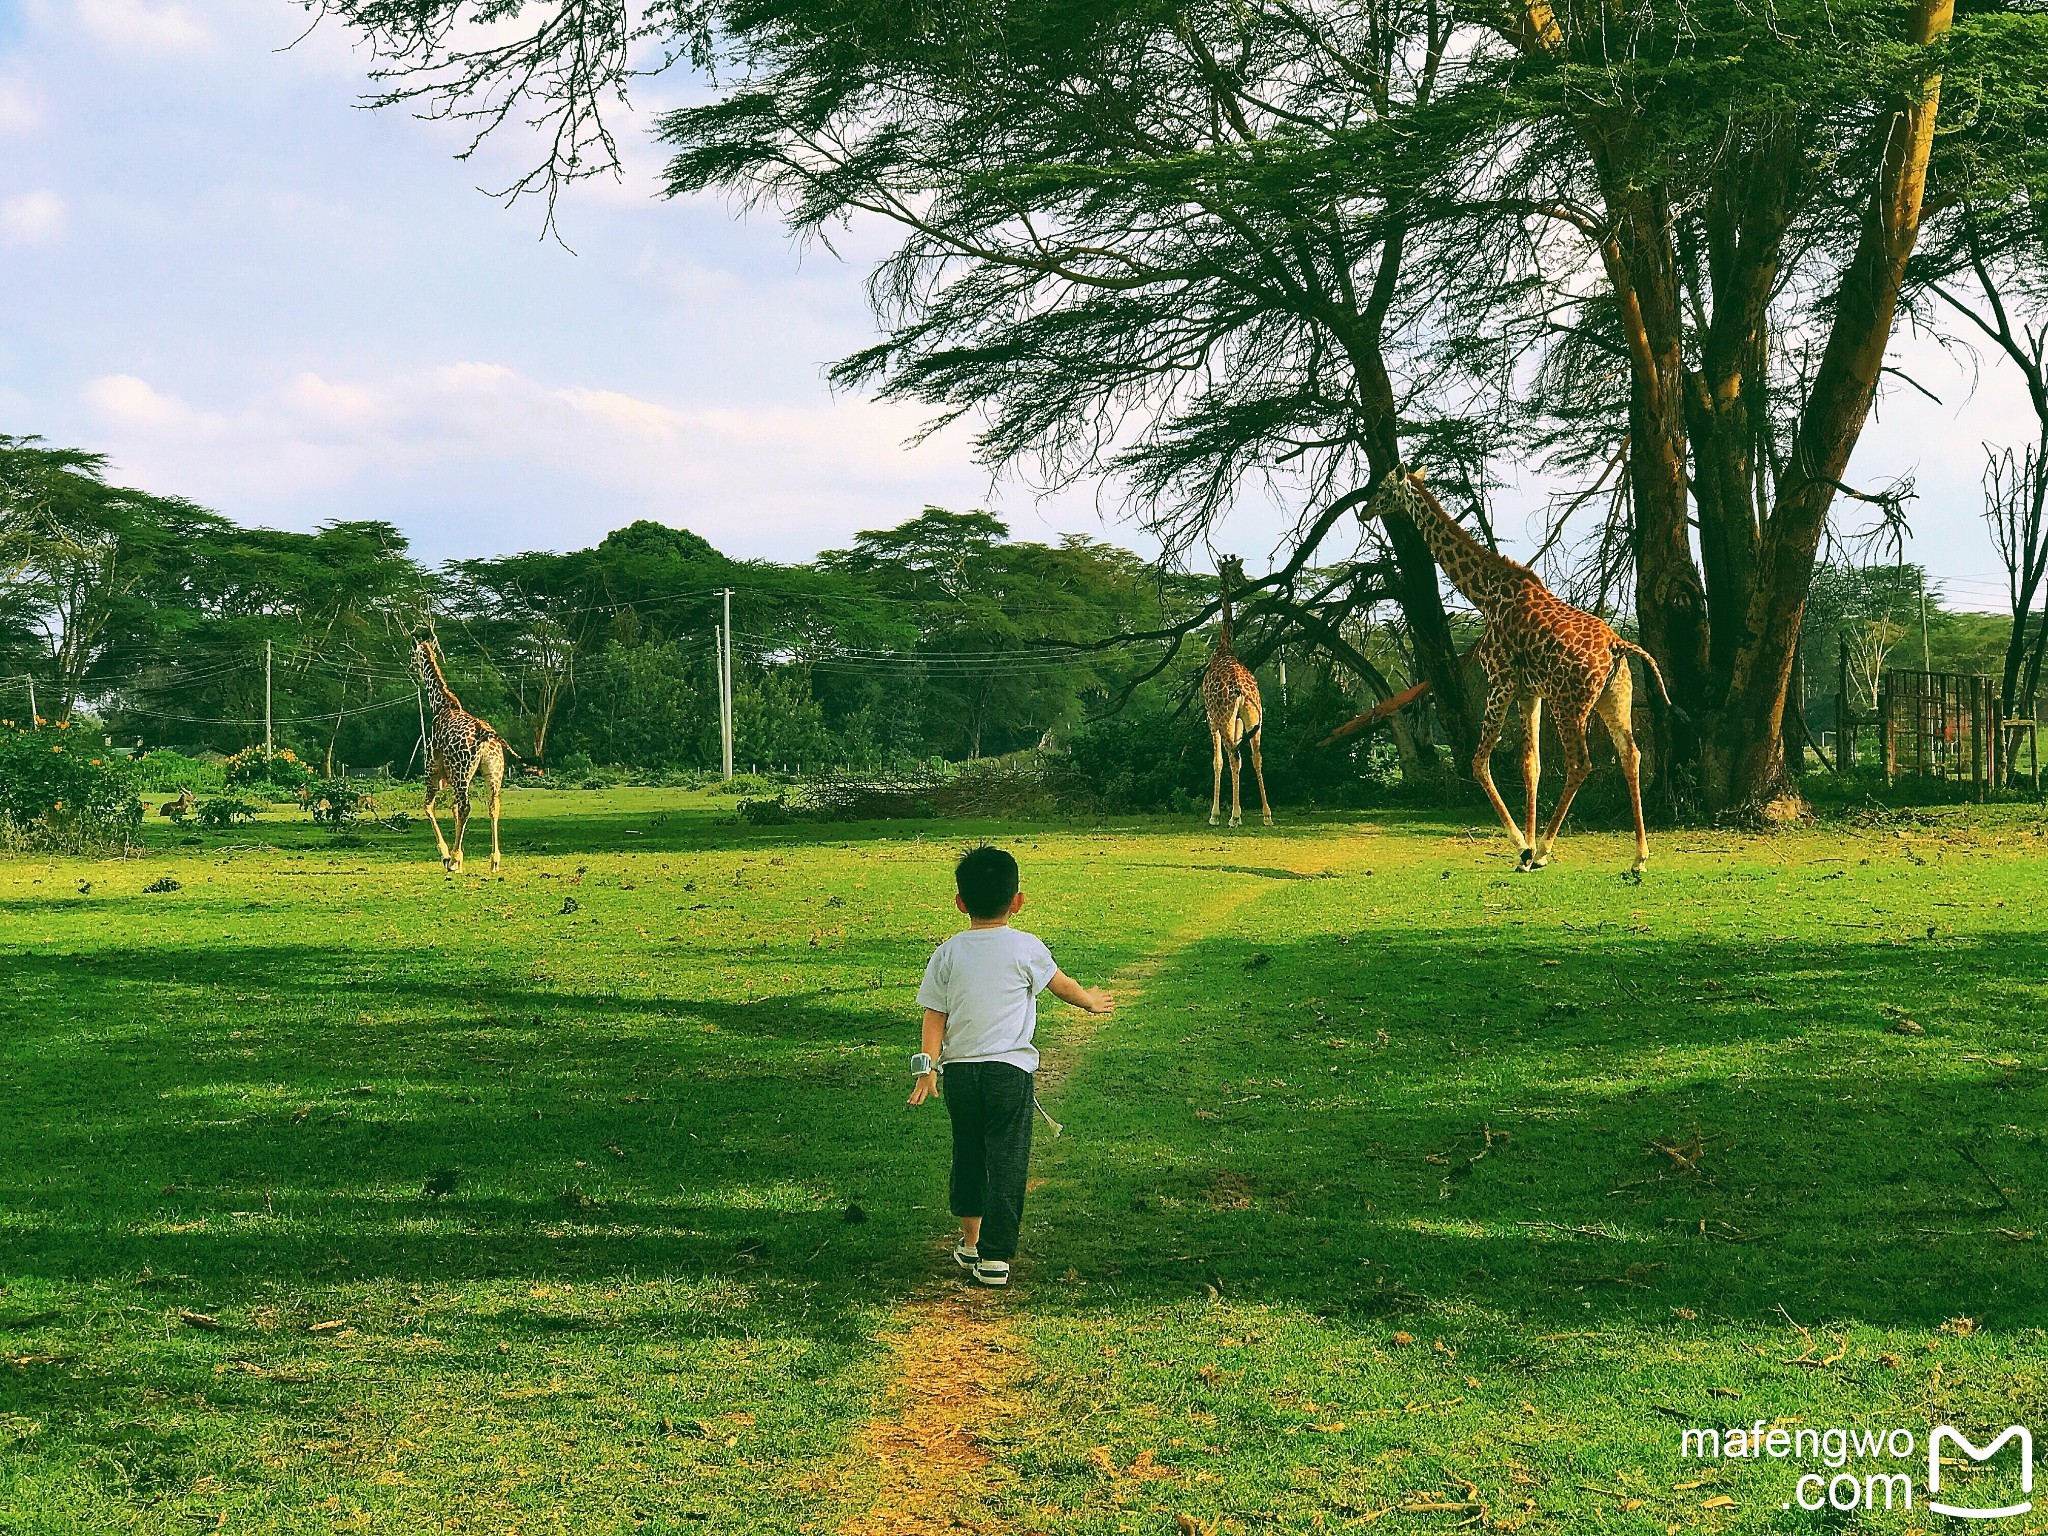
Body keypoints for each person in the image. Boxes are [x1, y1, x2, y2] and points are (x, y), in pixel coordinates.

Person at [908, 845, 1113, 1287]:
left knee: (969, 1152)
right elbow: (1061, 986)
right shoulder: (1027, 947)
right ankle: (996, 1257)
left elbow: (934, 1017)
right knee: (1007, 1158)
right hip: (1009, 1074)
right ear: (1017, 901)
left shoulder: (946, 954)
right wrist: (1091, 1001)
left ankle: (969, 1242)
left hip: (960, 1074)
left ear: (960, 903)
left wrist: (927, 1068)